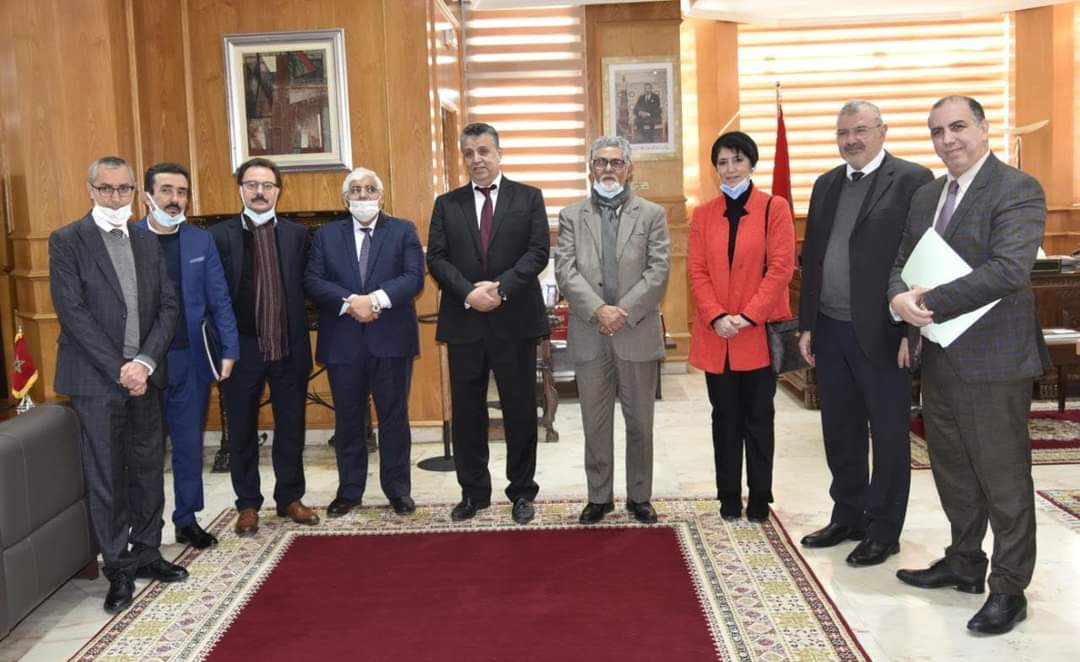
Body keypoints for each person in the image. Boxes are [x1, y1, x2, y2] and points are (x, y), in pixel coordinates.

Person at [888, 96, 1048, 635]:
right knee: (953, 469)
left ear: (983, 128)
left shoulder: (1017, 188)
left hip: (994, 361)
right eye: (937, 131)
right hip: (939, 355)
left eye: (957, 127)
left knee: (1003, 477)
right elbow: (902, 262)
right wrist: (899, 304)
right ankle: (964, 562)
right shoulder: (927, 195)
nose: (947, 139)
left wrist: (926, 303)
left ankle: (1009, 587)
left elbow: (1008, 270)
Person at [797, 102, 933, 566]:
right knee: (840, 429)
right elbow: (814, 258)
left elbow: (919, 258)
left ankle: (884, 528)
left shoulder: (912, 179)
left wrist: (910, 332)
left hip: (884, 330)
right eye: (843, 132)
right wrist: (808, 324)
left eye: (860, 130)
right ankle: (848, 515)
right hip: (830, 328)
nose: (851, 140)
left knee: (889, 433)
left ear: (882, 131)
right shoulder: (826, 184)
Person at [49, 156, 186, 613]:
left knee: (148, 468)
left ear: (134, 193)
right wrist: (121, 368)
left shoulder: (146, 240)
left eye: (123, 189)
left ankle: (147, 551)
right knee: (107, 475)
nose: (115, 197)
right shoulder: (67, 240)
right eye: (106, 189)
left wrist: (143, 363)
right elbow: (73, 314)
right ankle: (119, 566)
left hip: (145, 376)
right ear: (91, 190)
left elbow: (168, 306)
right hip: (96, 380)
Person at [427, 122, 550, 525]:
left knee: (519, 410)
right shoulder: (447, 204)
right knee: (467, 413)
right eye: (469, 153)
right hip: (465, 321)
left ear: (499, 153)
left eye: (483, 151)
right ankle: (473, 493)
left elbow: (538, 252)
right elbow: (437, 258)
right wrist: (469, 293)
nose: (476, 159)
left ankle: (522, 492)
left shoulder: (528, 198)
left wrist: (500, 288)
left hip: (514, 320)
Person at [554, 136, 671, 525]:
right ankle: (599, 497)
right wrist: (598, 310)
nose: (608, 169)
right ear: (591, 168)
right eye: (601, 162)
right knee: (595, 422)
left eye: (616, 162)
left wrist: (622, 311)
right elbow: (565, 270)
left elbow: (658, 270)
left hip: (635, 331)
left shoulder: (651, 214)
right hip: (590, 332)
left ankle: (639, 496)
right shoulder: (571, 216)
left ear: (629, 169)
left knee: (640, 424)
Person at [304, 167, 424, 517]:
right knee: (348, 420)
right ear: (346, 199)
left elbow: (413, 277)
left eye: (370, 189)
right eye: (355, 190)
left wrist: (374, 300)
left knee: (394, 418)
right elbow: (312, 279)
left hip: (391, 340)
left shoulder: (403, 230)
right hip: (343, 341)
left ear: (381, 197)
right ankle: (349, 491)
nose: (363, 195)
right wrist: (350, 302)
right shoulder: (325, 235)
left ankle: (398, 491)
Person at [687, 132, 795, 522]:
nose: (730, 169)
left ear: (752, 163)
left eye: (737, 160)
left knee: (759, 418)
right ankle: (728, 496)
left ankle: (760, 496)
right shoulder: (703, 214)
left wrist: (748, 316)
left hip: (757, 334)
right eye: (722, 162)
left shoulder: (773, 208)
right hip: (717, 335)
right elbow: (696, 271)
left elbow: (780, 268)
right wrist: (717, 316)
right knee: (724, 418)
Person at [209, 157, 319, 536]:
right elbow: (213, 295)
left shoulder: (297, 235)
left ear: (278, 191)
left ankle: (290, 497)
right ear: (241, 189)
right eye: (252, 185)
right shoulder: (218, 236)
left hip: (288, 345)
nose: (260, 192)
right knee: (241, 430)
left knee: (292, 426)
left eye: (267, 185)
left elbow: (310, 284)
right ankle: (247, 504)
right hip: (241, 349)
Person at [136, 163, 240, 550]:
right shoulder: (128, 239)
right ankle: (144, 527)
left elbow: (219, 298)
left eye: (181, 192)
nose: (174, 199)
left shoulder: (200, 241)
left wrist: (229, 348)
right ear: (147, 196)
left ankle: (187, 519)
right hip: (143, 364)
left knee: (188, 444)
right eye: (166, 191)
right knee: (145, 451)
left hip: (190, 358)